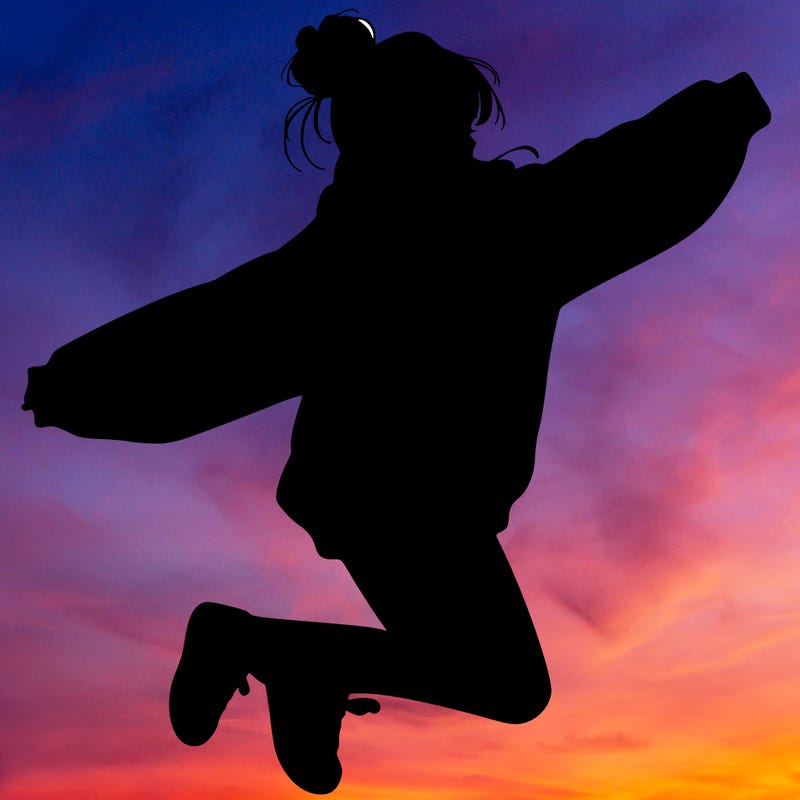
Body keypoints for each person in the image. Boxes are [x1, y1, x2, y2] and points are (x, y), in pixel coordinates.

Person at [23, 12, 771, 795]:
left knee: (501, 679)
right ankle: (269, 653)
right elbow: (622, 180)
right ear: (433, 122)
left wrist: (81, 381)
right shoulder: (498, 224)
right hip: (412, 501)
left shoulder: (359, 247)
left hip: (366, 494)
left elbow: (222, 326)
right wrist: (723, 113)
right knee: (509, 684)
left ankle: (297, 669)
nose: (468, 138)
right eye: (457, 122)